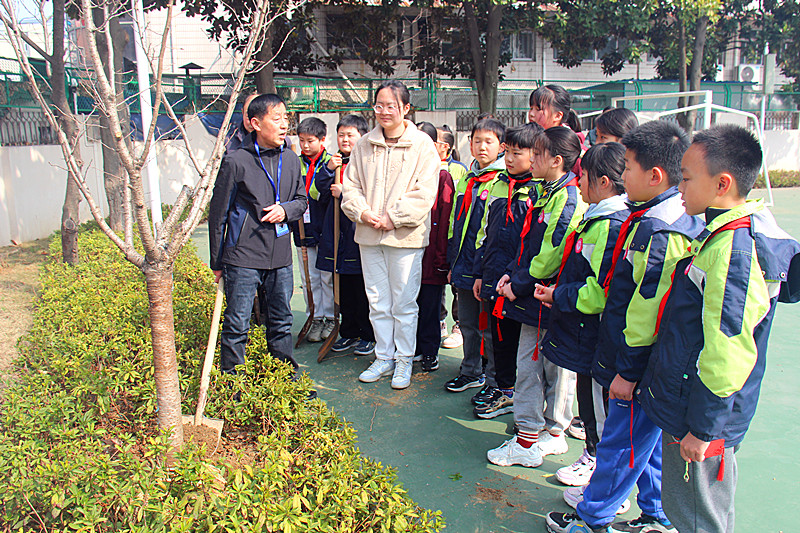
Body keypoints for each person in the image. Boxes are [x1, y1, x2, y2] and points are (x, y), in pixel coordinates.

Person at [639, 125, 800, 533]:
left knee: (699, 514)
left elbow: (727, 348)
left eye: (687, 178)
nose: (679, 187)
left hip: (705, 413)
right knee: (693, 509)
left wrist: (703, 427)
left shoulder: (733, 249)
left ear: (722, 183)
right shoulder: (721, 233)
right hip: (695, 405)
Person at [546, 120, 702, 533]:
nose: (622, 176)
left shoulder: (660, 227)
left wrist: (628, 371)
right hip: (647, 362)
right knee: (644, 445)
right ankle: (656, 514)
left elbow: (645, 311)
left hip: (640, 364)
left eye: (628, 167)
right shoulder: (652, 216)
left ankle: (593, 518)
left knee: (622, 444)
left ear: (655, 175)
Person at [533, 143, 629, 493]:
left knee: (601, 410)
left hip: (597, 336)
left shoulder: (610, 225)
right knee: (591, 404)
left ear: (603, 182)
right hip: (585, 334)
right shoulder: (598, 218)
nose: (578, 181)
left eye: (583, 176)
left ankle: (606, 484)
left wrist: (558, 294)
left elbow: (599, 291)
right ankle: (596, 462)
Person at [488, 127, 585, 467]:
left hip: (545, 298)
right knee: (540, 365)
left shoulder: (567, 198)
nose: (531, 158)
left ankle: (531, 439)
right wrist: (511, 274)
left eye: (538, 154)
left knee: (540, 367)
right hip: (536, 294)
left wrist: (521, 284)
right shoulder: (546, 192)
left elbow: (552, 252)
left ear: (555, 161)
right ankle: (546, 431)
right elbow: (528, 243)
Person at [341, 80, 439, 390]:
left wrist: (392, 218)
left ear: (406, 108)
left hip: (405, 238)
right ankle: (383, 356)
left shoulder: (423, 145)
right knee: (378, 299)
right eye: (379, 105)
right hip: (368, 235)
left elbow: (426, 193)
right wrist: (363, 213)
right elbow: (350, 186)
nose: (384, 112)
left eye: (391, 106)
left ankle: (404, 361)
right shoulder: (363, 144)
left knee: (404, 302)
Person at [208, 93, 307, 376]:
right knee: (238, 322)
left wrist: (285, 211)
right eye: (276, 119)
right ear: (255, 123)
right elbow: (219, 215)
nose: (284, 124)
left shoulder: (290, 158)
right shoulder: (236, 160)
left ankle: (285, 379)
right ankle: (234, 383)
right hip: (243, 257)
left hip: (280, 256)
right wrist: (218, 262)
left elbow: (301, 200)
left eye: (285, 118)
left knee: (282, 320)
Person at [470, 122, 542, 418]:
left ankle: (511, 390)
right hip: (492, 274)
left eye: (518, 153)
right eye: (508, 152)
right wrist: (479, 273)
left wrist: (517, 279)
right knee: (496, 334)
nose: (510, 159)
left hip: (516, 282)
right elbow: (483, 233)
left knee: (514, 338)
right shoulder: (497, 184)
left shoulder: (538, 191)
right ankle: (500, 385)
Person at [443, 118, 506, 394]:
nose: (482, 147)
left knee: (488, 328)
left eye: (489, 142)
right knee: (467, 322)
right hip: (463, 264)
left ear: (501, 147)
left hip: (486, 268)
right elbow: (455, 224)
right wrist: (451, 260)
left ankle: (492, 379)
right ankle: (469, 371)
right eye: (477, 141)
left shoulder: (502, 181)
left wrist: (484, 268)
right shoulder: (467, 178)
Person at [317, 114, 376, 356]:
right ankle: (348, 332)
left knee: (361, 289)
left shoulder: (367, 162)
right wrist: (328, 170)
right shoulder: (335, 162)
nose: (345, 139)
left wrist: (343, 194)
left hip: (356, 235)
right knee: (343, 287)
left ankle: (367, 335)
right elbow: (316, 190)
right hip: (336, 237)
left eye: (350, 135)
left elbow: (370, 197)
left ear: (362, 137)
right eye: (341, 134)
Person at [414, 121, 456, 372]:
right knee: (409, 304)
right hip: (408, 253)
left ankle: (429, 349)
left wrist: (442, 257)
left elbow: (445, 220)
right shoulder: (407, 175)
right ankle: (413, 348)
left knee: (429, 305)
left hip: (432, 255)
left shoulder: (443, 177)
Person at [293, 117, 335, 343]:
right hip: (303, 230)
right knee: (310, 277)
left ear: (322, 139)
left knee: (327, 276)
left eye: (310, 141)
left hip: (326, 230)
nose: (305, 146)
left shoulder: (331, 162)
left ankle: (330, 317)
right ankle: (315, 317)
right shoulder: (294, 162)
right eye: (302, 141)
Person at [437, 124, 467, 350]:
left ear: (445, 146)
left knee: (456, 283)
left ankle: (459, 325)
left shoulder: (460, 170)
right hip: (436, 235)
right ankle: (439, 321)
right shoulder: (424, 166)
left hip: (454, 235)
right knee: (436, 280)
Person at [528, 84, 584, 177]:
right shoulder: (528, 139)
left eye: (538, 109)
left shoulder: (571, 149)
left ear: (557, 116)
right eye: (531, 108)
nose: (531, 114)